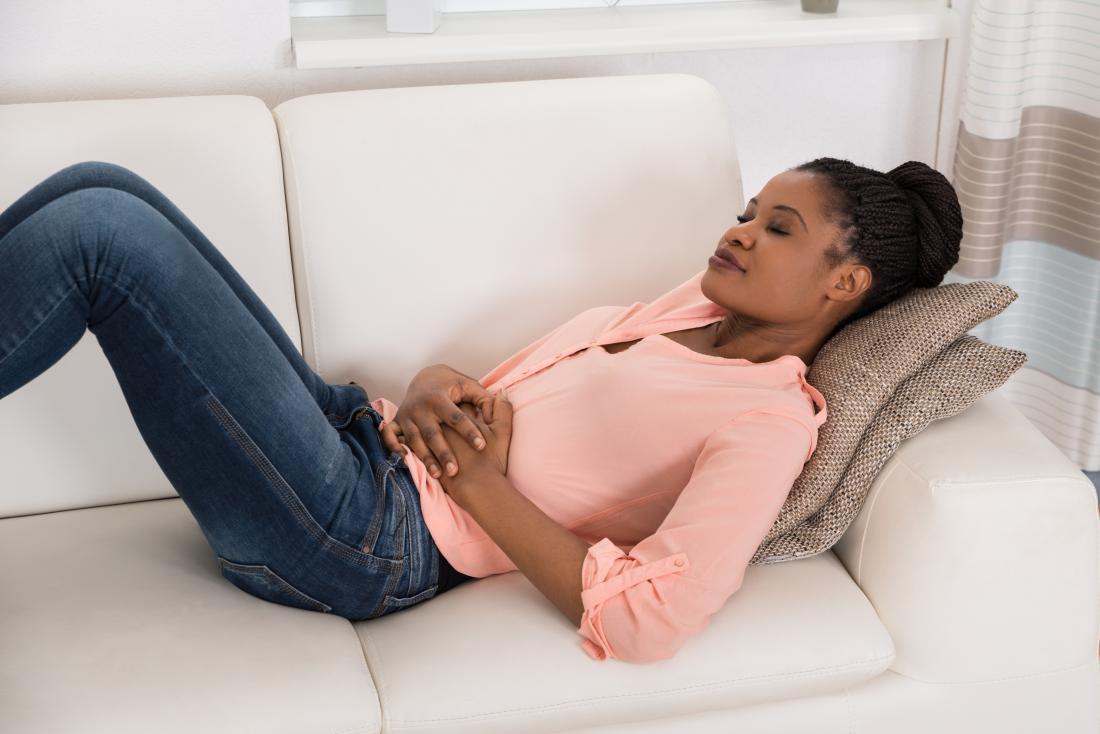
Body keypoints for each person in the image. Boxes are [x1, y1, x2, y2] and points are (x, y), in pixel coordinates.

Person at [0, 157, 962, 663]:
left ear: (846, 283)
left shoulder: (769, 421)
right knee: (107, 186)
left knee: (104, 236)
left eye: (776, 227)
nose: (738, 230)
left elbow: (653, 621)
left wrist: (485, 485)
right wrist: (432, 383)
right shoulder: (697, 308)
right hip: (364, 437)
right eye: (748, 209)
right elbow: (518, 394)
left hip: (362, 539)